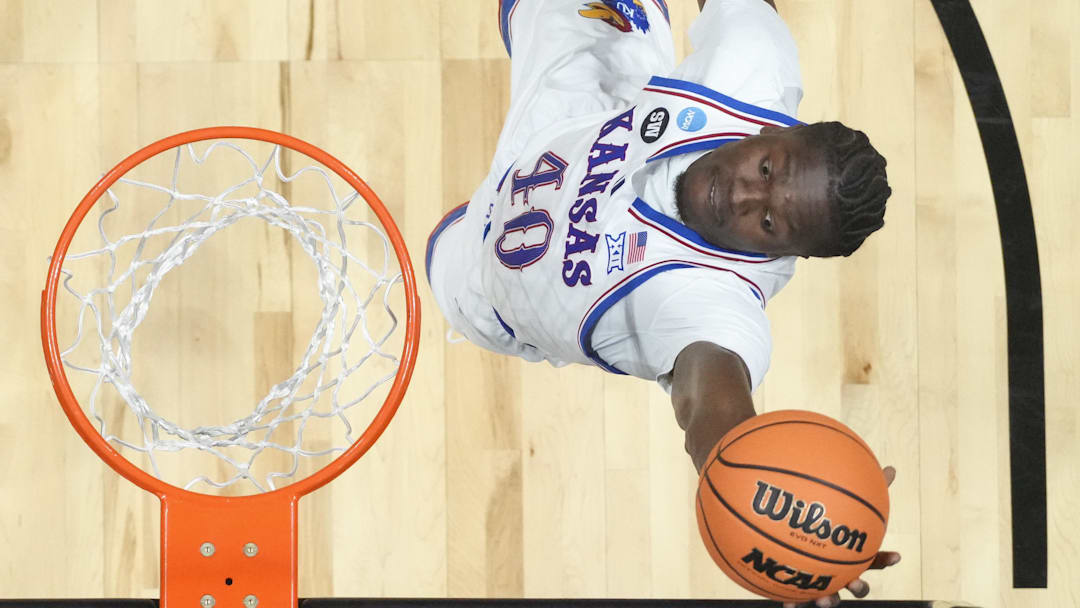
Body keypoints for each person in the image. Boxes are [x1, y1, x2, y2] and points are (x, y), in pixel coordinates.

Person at [426, 1, 898, 605]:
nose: (745, 194)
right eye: (766, 165)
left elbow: (711, 407)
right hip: (578, 116)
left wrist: (783, 519)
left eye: (772, 221)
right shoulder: (751, 65)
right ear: (775, 129)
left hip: (486, 278)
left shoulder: (715, 308)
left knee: (436, 264)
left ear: (786, 255)